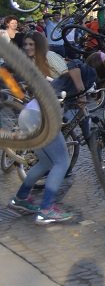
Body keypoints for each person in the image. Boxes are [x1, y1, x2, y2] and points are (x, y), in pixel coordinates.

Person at [7, 32, 89, 224]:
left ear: (40, 45)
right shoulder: (48, 57)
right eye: (26, 45)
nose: (27, 48)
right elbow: (73, 69)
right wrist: (82, 93)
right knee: (61, 162)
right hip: (42, 117)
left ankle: (20, 199)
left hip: (29, 115)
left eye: (31, 44)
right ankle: (47, 209)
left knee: (45, 162)